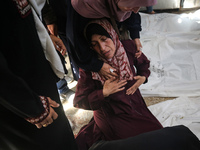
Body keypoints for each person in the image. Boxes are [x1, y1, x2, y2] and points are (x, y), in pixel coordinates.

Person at [73, 18, 163, 150]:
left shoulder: (127, 47)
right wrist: (103, 93)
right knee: (131, 144)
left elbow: (143, 63)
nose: (102, 48)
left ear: (113, 35)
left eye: (104, 39)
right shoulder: (90, 69)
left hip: (136, 104)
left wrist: (143, 76)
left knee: (159, 134)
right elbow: (78, 101)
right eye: (95, 44)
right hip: (112, 114)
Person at [0, 0, 77, 150]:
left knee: (61, 136)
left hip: (39, 83)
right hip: (21, 102)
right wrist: (31, 105)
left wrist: (45, 36)